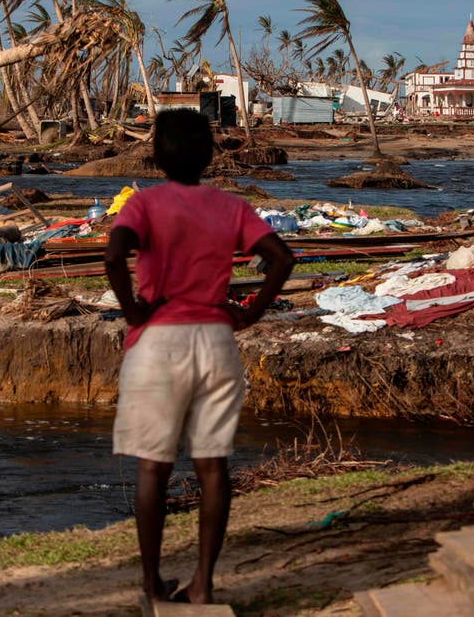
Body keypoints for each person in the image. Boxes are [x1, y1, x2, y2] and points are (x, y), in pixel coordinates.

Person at [103, 109, 295, 605]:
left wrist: (132, 309)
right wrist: (250, 314)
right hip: (214, 339)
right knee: (213, 467)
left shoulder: (144, 205)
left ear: (157, 155)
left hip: (157, 342)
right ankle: (203, 585)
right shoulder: (229, 207)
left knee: (153, 468)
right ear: (210, 155)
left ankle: (151, 585)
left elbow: (113, 254)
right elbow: (281, 258)